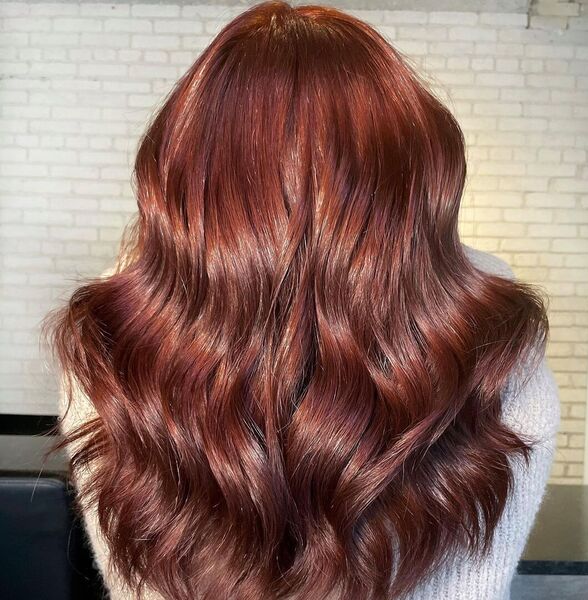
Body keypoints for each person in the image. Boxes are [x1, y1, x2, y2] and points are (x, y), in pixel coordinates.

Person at [43, 2, 561, 599]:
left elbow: (140, 590)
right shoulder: (498, 352)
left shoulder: (112, 349)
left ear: (183, 185)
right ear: (414, 185)